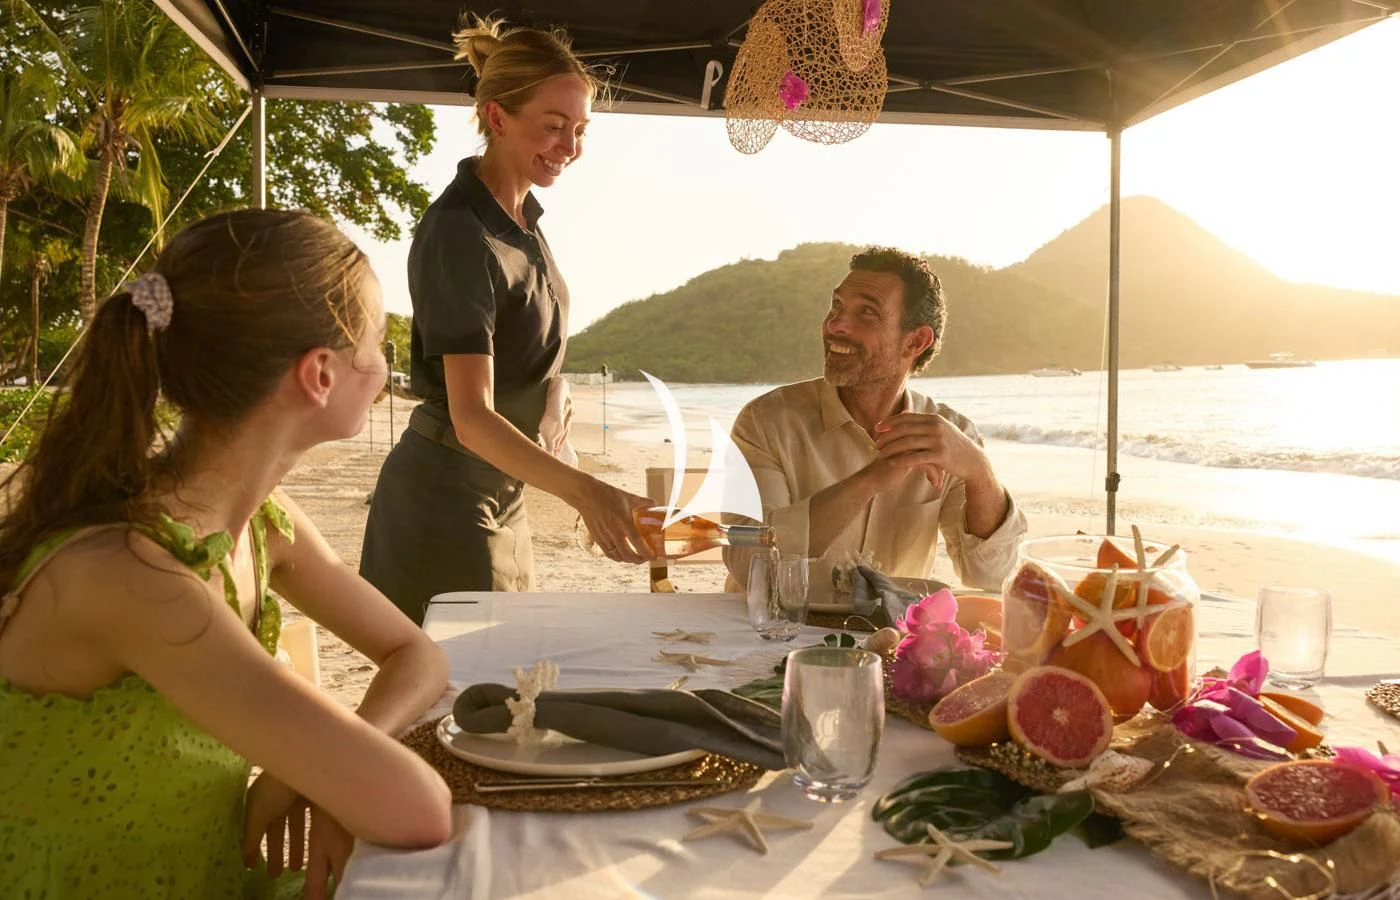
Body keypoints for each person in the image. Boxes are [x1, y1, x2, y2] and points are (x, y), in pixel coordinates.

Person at [0, 210, 453, 899]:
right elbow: (416, 809)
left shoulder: (261, 523)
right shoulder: (137, 577)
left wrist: (315, 773)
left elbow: (418, 654)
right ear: (320, 374)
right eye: (377, 341)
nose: (386, 365)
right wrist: (335, 771)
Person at [361, 15, 650, 624]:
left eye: (580, 130)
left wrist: (555, 391)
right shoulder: (459, 230)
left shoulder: (524, 223)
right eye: (552, 127)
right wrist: (589, 493)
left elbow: (525, 344)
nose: (570, 148)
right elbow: (471, 417)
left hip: (506, 493)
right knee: (451, 704)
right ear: (496, 118)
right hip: (445, 498)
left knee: (501, 696)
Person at [724, 247, 1028, 605]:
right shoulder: (765, 422)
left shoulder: (951, 437)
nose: (835, 324)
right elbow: (751, 565)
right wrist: (870, 480)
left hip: (893, 647)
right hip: (770, 637)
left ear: (915, 341)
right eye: (836, 306)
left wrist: (979, 471)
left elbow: (992, 575)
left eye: (865, 313)